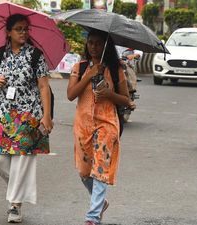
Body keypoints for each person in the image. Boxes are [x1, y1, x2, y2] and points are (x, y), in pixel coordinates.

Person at [0, 14, 53, 223]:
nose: (23, 33)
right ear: (9, 32)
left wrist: (47, 116)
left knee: (22, 160)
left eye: (26, 29)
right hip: (2, 113)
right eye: (19, 29)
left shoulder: (35, 55)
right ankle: (16, 190)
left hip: (28, 114)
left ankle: (15, 206)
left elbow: (43, 86)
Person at [67, 29, 133, 225]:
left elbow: (126, 100)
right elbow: (71, 95)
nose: (94, 47)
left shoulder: (115, 69)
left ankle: (92, 217)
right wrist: (89, 75)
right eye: (91, 43)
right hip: (83, 125)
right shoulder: (79, 67)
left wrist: (110, 95)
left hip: (107, 124)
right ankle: (100, 203)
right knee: (84, 172)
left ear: (106, 46)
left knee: (100, 169)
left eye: (98, 43)